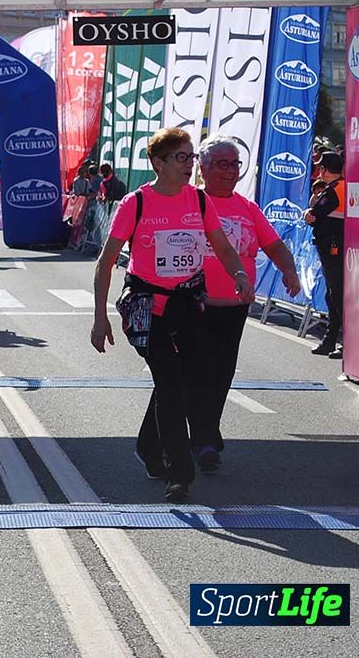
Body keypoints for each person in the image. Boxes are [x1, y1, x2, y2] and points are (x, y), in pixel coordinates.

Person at [90, 127, 252, 502]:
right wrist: (100, 317)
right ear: (158, 162)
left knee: (192, 379)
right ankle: (179, 474)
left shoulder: (199, 199)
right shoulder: (136, 203)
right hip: (148, 305)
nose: (188, 164)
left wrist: (239, 275)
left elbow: (223, 247)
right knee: (168, 383)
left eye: (191, 157)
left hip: (188, 302)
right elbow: (106, 261)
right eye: (181, 157)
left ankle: (149, 448)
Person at [136, 135, 301, 475]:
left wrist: (289, 269)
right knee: (180, 378)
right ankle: (157, 445)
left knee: (219, 376)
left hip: (233, 307)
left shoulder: (247, 208)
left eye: (235, 164)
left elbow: (274, 246)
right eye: (222, 164)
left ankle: (204, 440)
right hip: (191, 304)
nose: (230, 172)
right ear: (204, 167)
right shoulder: (190, 201)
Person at [304, 151, 346, 359]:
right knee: (333, 294)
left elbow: (313, 215)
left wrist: (307, 213)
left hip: (332, 247)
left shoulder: (333, 190)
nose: (319, 170)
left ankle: (344, 342)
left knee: (336, 294)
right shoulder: (341, 187)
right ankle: (331, 341)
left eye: (321, 167)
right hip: (336, 245)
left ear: (325, 169)